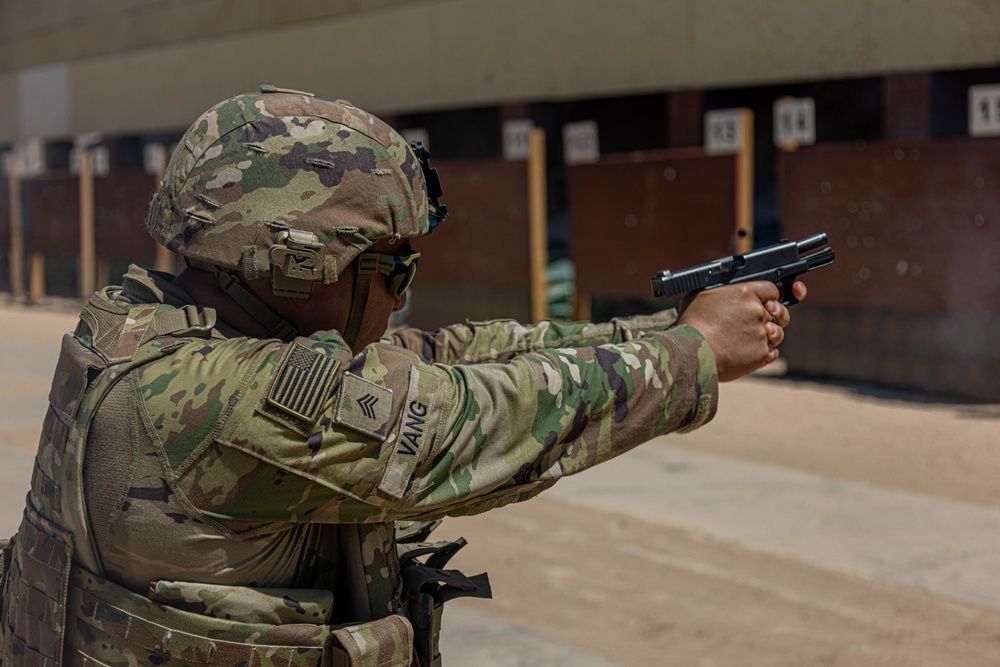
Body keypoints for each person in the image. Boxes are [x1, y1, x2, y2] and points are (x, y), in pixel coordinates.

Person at [0, 86, 805, 667]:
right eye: (392, 265)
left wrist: (672, 326)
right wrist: (694, 356)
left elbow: (451, 354)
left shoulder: (146, 318)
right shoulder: (220, 402)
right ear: (298, 262)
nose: (403, 290)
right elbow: (473, 420)